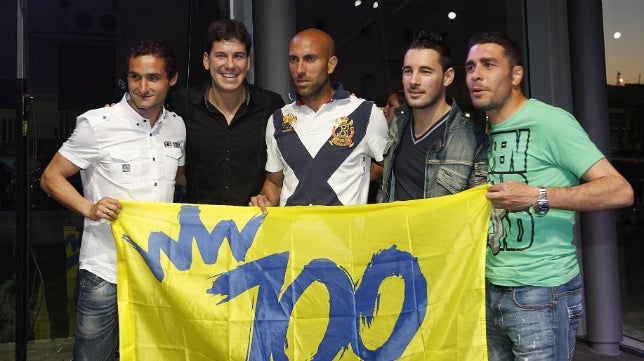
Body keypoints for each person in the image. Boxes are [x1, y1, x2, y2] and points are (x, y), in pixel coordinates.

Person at [465, 32, 634, 361]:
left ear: (516, 75)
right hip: (489, 286)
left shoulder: (551, 121)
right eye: (471, 66)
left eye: (488, 65)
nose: (476, 75)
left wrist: (537, 196)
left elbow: (619, 190)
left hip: (541, 292)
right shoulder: (483, 132)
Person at [40, 39, 185, 361]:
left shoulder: (177, 126)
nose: (143, 87)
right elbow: (51, 177)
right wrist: (88, 208)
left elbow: (180, 178)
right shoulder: (97, 124)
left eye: (153, 78)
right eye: (135, 77)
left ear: (171, 79)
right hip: (105, 268)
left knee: (150, 355)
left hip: (156, 269)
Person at [249, 28, 388, 209]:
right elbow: (275, 183)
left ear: (331, 64)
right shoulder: (278, 120)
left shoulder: (365, 113)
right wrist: (264, 200)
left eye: (310, 59)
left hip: (344, 237)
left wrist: (359, 172)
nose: (300, 70)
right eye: (293, 60)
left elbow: (393, 170)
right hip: (291, 236)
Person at [171, 19, 284, 205]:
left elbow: (281, 171)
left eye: (238, 56)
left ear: (248, 62)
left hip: (252, 226)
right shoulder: (182, 103)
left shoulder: (270, 105)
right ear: (207, 61)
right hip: (198, 227)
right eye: (221, 55)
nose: (230, 65)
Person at [378, 31, 487, 203]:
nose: (414, 81)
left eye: (425, 71)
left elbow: (478, 212)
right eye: (408, 71)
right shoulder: (399, 123)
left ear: (448, 77)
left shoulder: (472, 140)